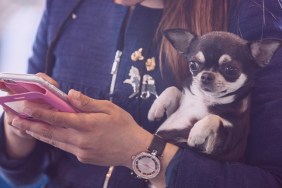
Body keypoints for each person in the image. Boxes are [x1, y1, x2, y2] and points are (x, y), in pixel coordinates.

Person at [0, 0, 282, 187]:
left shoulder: (252, 12)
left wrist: (138, 151)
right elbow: (23, 173)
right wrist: (21, 126)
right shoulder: (63, 5)